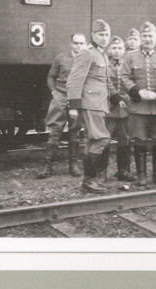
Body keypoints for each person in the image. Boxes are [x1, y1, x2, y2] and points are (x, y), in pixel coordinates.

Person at [119, 21, 156, 186]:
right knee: (139, 141)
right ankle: (142, 175)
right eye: (144, 36)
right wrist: (137, 91)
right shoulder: (130, 56)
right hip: (139, 106)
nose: (148, 39)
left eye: (150, 36)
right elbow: (124, 77)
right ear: (140, 37)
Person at [66, 19, 114, 193]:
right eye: (101, 35)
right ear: (93, 35)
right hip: (91, 103)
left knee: (92, 140)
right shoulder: (87, 53)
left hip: (100, 103)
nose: (104, 38)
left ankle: (92, 180)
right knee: (101, 139)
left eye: (107, 35)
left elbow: (104, 79)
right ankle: (89, 180)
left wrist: (115, 96)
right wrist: (73, 104)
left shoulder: (101, 53)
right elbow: (75, 79)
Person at [36, 33, 87, 179]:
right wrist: (54, 92)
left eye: (81, 43)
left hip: (77, 98)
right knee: (55, 131)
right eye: (76, 43)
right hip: (61, 97)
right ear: (71, 43)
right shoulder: (61, 58)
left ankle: (74, 165)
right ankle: (48, 165)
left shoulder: (87, 60)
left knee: (75, 132)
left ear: (85, 44)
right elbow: (51, 76)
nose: (78, 46)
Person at [101, 36, 137, 183]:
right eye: (114, 48)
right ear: (109, 50)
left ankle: (124, 170)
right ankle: (101, 172)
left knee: (125, 140)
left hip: (125, 108)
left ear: (124, 50)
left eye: (120, 48)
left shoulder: (127, 65)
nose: (117, 51)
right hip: (108, 107)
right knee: (104, 139)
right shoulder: (104, 65)